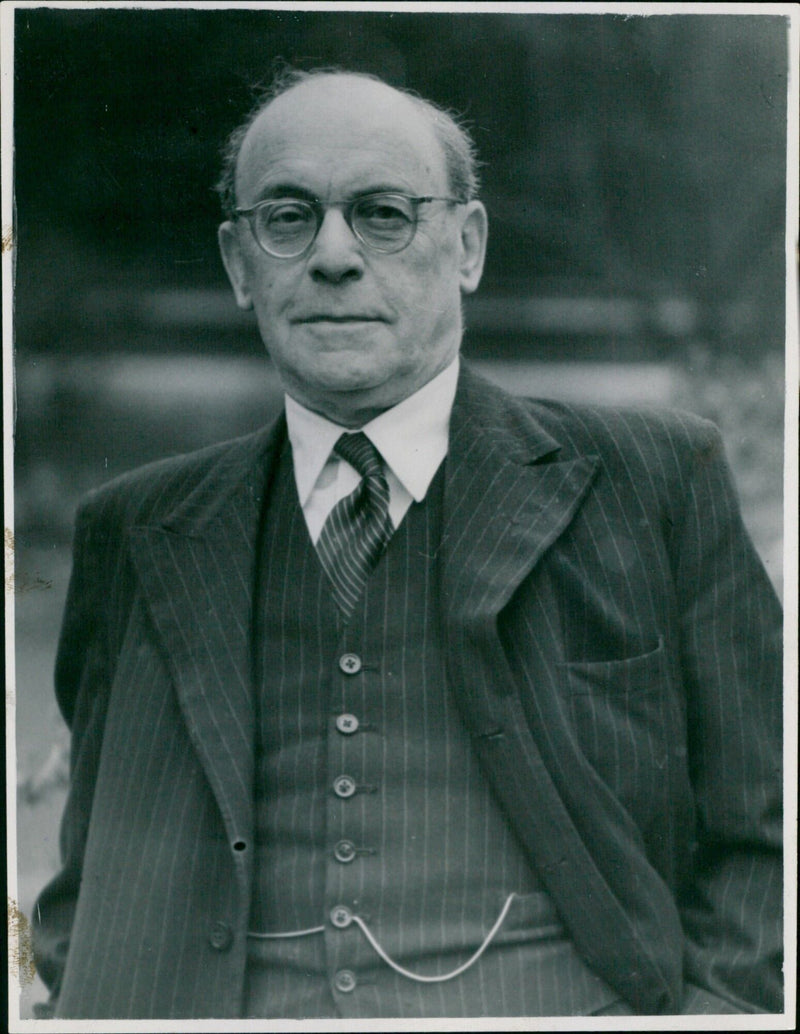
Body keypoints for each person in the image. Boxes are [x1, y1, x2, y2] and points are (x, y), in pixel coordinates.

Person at [32, 68, 782, 1019]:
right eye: (288, 217)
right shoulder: (135, 529)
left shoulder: (654, 480)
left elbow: (767, 829)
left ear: (466, 245)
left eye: (384, 214)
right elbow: (87, 881)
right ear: (237, 264)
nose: (334, 256)